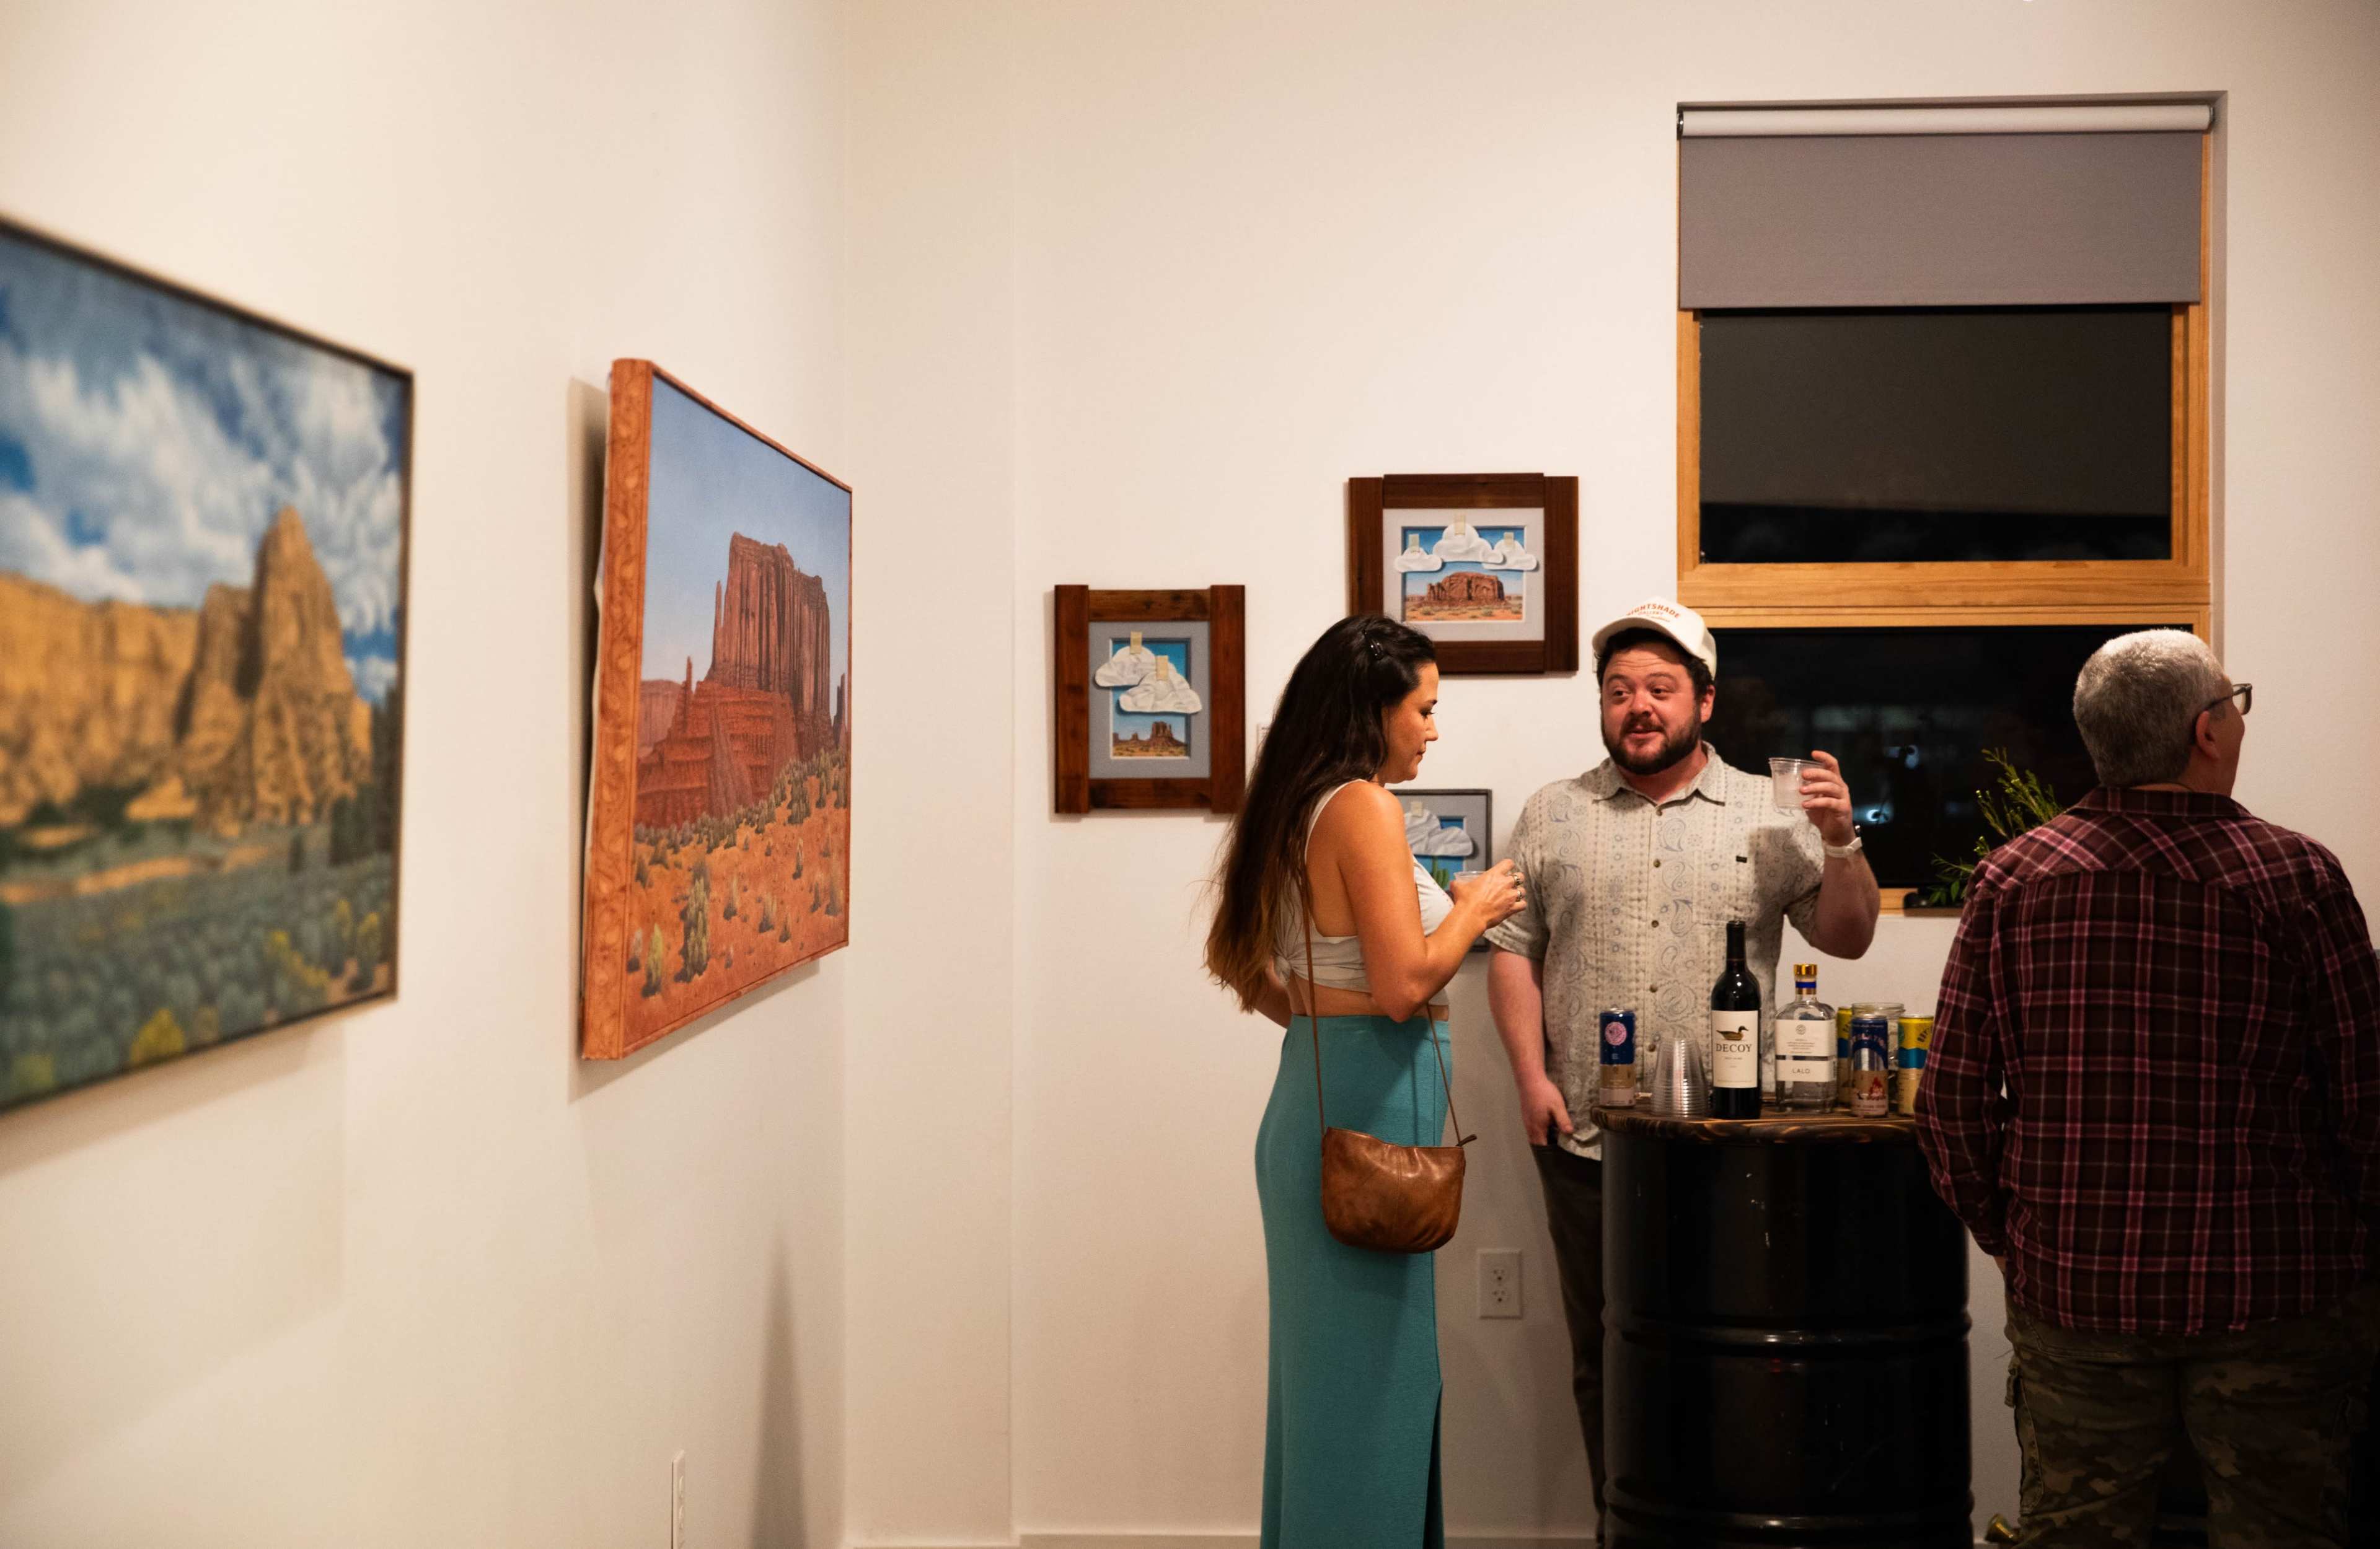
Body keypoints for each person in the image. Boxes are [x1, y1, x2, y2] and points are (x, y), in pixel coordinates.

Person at [1916, 628, 2380, 1547]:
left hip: (2079, 1290)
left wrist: (2015, 1237)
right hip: (2275, 1294)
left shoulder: (2012, 881)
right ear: (2207, 733)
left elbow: (1952, 1106)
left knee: (2076, 1534)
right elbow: (2366, 1098)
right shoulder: (2296, 876)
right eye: (2234, 703)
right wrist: (2354, 1240)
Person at [1483, 597, 1880, 1524]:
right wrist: (1530, 1079)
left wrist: (1841, 840)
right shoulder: (1554, 814)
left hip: (1737, 1143)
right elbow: (1513, 949)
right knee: (1607, 1357)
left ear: (1704, 702)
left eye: (1660, 688)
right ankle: (1624, 1528)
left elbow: (1849, 936)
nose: (1638, 706)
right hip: (1588, 1139)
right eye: (1619, 690)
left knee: (1741, 1354)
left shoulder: (1772, 813)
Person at [1205, 613, 1528, 1548]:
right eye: (1424, 709)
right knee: (1372, 1389)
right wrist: (1472, 908)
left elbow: (1242, 965)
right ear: (1373, 710)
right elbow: (1404, 985)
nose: (1434, 728)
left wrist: (1322, 1028)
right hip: (1370, 1108)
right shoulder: (1361, 806)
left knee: (1341, 1393)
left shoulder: (1297, 803)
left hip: (1331, 1103)